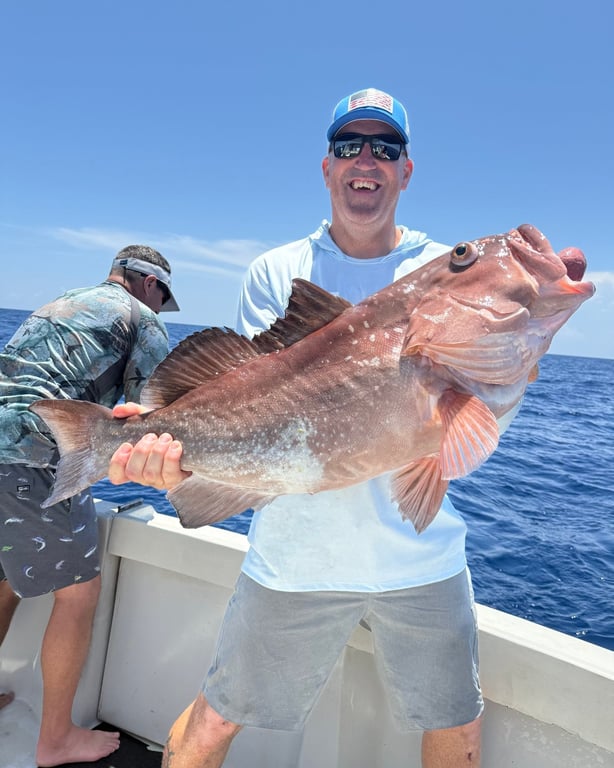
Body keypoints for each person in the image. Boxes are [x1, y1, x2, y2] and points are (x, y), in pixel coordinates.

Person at [109, 89, 485, 767]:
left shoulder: (444, 270)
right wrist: (168, 445)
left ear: (406, 170)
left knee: (457, 728)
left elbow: (464, 422)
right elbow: (255, 399)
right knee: (213, 723)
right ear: (327, 166)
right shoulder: (278, 271)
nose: (365, 158)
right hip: (295, 559)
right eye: (349, 145)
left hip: (422, 560)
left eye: (384, 147)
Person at [0, 244, 179, 766]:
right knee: (79, 593)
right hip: (36, 457)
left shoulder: (60, 303)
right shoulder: (143, 320)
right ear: (149, 283)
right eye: (163, 296)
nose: (162, 307)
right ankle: (55, 739)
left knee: (5, 578)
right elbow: (145, 414)